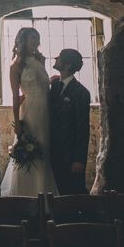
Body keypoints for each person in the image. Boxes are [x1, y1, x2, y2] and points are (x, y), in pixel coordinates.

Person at [0, 27, 57, 196]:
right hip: (30, 112)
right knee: (31, 152)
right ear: (23, 41)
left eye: (37, 38)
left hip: (45, 111)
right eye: (32, 38)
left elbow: (43, 84)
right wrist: (17, 123)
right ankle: (26, 195)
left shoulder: (39, 60)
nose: (35, 42)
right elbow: (15, 96)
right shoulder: (16, 66)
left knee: (44, 151)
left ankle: (44, 193)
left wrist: (54, 78)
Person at [49, 48, 91, 194]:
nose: (56, 58)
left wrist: (79, 159)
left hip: (70, 156)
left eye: (59, 57)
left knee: (72, 193)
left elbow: (82, 128)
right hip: (52, 153)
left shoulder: (81, 92)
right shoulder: (54, 86)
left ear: (67, 65)